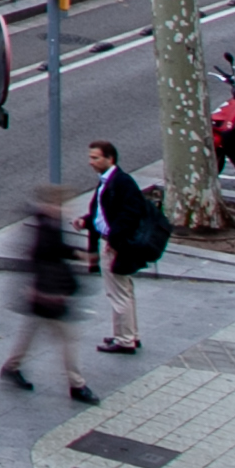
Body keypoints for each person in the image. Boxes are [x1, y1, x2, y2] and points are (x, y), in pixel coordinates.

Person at [0, 185, 95, 403]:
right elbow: (42, 257)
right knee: (69, 337)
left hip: (43, 294)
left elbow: (53, 250)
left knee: (31, 330)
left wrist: (76, 254)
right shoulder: (47, 226)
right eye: (63, 205)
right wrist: (45, 290)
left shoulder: (47, 224)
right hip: (48, 294)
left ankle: (12, 367)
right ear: (52, 205)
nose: (67, 209)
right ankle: (77, 385)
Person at [86, 140, 154, 351]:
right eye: (91, 157)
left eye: (95, 158)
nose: (91, 162)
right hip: (114, 242)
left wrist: (114, 239)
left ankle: (124, 340)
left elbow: (130, 214)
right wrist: (85, 221)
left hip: (115, 245)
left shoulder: (120, 182)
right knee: (124, 290)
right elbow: (102, 213)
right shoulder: (110, 181)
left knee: (118, 293)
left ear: (110, 159)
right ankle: (129, 334)